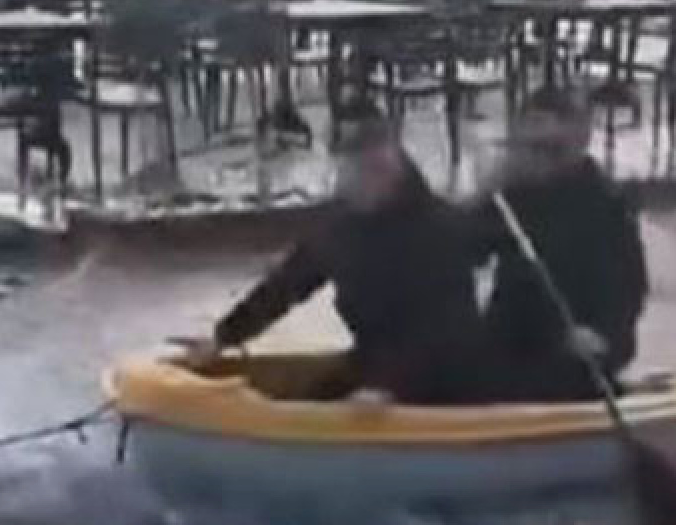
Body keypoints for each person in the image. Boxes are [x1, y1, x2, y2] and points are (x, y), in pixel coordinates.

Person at [181, 116, 490, 405]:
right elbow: (287, 283)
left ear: (393, 170)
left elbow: (448, 330)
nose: (355, 183)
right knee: (309, 406)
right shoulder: (343, 227)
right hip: (370, 365)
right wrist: (225, 336)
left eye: (373, 170)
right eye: (351, 173)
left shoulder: (438, 229)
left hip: (439, 382)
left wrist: (393, 387)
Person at [465, 86, 650, 403]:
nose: (539, 158)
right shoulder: (511, 195)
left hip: (581, 338)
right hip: (514, 334)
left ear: (578, 141)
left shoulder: (604, 202)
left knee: (553, 376)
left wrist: (603, 337)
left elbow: (630, 287)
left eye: (551, 148)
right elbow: (463, 252)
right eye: (531, 147)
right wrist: (482, 195)